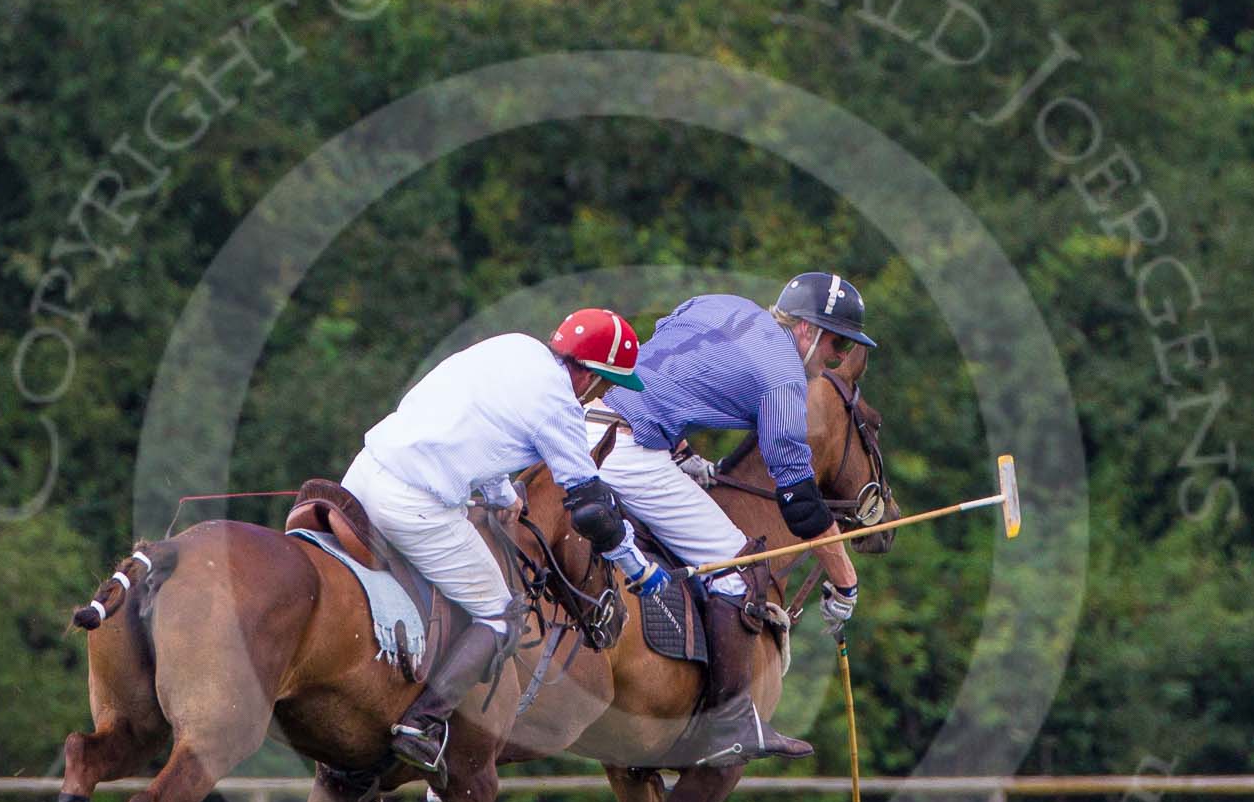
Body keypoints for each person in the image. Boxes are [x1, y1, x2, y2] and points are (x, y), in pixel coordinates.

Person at [343, 309, 668, 775]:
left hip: (363, 473)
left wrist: (500, 495)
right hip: (413, 502)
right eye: (605, 383)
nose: (601, 393)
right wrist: (638, 567)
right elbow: (591, 505)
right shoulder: (560, 405)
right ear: (590, 376)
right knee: (501, 612)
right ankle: (423, 723)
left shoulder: (512, 346)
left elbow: (482, 427)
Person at [594, 271, 877, 763]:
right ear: (806, 330)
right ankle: (730, 723)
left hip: (587, 422)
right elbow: (798, 499)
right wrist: (845, 579)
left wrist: (681, 453)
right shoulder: (785, 378)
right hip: (629, 454)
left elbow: (659, 367)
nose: (834, 359)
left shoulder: (717, 304)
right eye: (835, 344)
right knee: (740, 569)